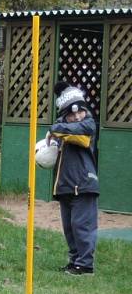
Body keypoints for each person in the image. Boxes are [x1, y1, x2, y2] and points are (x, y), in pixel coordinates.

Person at [48, 81, 99, 275]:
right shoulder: (62, 132)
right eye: (71, 114)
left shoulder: (87, 126)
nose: (77, 116)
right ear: (64, 114)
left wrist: (54, 131)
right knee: (69, 227)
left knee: (82, 226)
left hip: (84, 185)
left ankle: (86, 264)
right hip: (66, 187)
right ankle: (75, 260)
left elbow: (62, 129)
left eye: (80, 111)